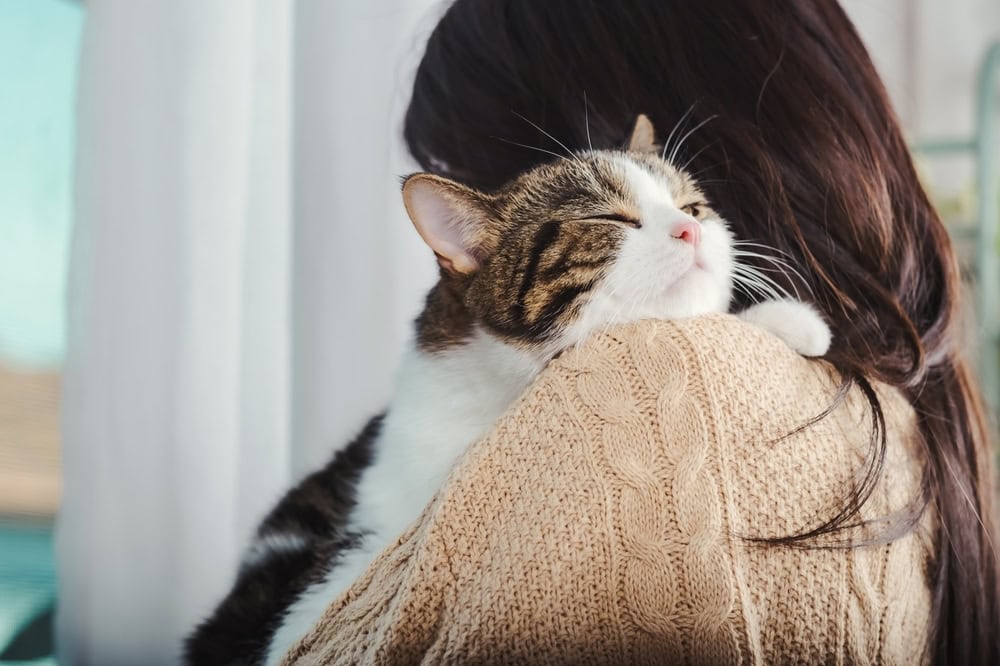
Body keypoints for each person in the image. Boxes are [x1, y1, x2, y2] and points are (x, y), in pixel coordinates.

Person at [285, 2, 999, 663]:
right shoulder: (898, 415)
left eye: (475, 164)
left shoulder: (647, 391)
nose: (687, 225)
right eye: (612, 216)